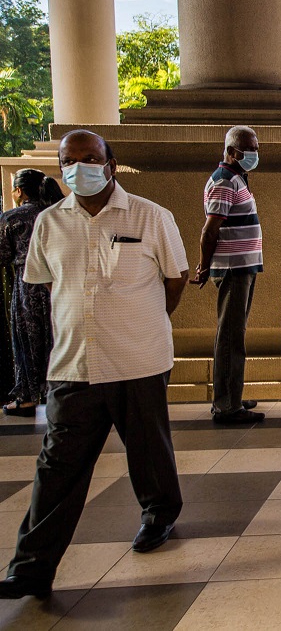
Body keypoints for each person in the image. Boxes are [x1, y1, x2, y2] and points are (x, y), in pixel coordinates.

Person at [0, 130, 187, 599]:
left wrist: (140, 320)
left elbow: (175, 279)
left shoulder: (151, 216)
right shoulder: (48, 223)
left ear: (110, 164)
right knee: (57, 466)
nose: (78, 167)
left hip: (138, 357)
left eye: (89, 159)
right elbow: (44, 285)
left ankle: (159, 514)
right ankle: (31, 567)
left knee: (147, 448)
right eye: (70, 160)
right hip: (73, 366)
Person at [191, 126, 264, 424]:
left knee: (236, 334)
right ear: (232, 152)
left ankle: (232, 395)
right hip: (233, 269)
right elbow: (210, 230)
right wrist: (204, 266)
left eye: (257, 148)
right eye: (250, 149)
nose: (255, 155)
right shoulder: (224, 181)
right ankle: (226, 406)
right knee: (230, 337)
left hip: (242, 266)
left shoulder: (235, 178)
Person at [0, 170, 62, 416]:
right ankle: (57, 392)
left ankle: (26, 397)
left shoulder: (12, 218)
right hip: (59, 283)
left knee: (27, 340)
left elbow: (3, 256)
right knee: (58, 338)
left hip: (28, 285)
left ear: (19, 191)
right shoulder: (59, 213)